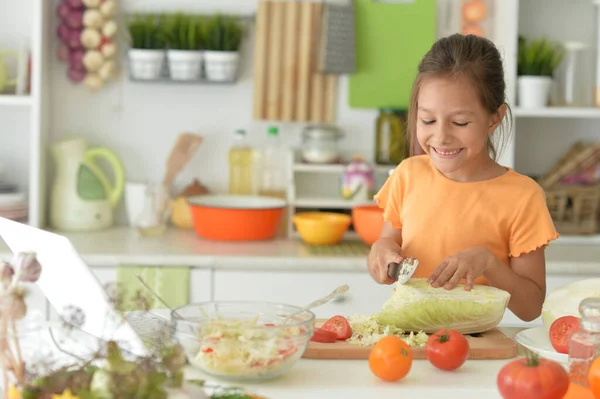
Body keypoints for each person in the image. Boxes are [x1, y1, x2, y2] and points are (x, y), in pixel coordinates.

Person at [368, 33, 558, 322]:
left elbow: (531, 308)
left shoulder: (523, 196)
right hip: (408, 336)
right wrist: (381, 252)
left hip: (476, 344)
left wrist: (489, 264)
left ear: (494, 119)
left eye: (460, 122)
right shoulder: (408, 174)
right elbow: (388, 244)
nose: (441, 137)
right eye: (427, 120)